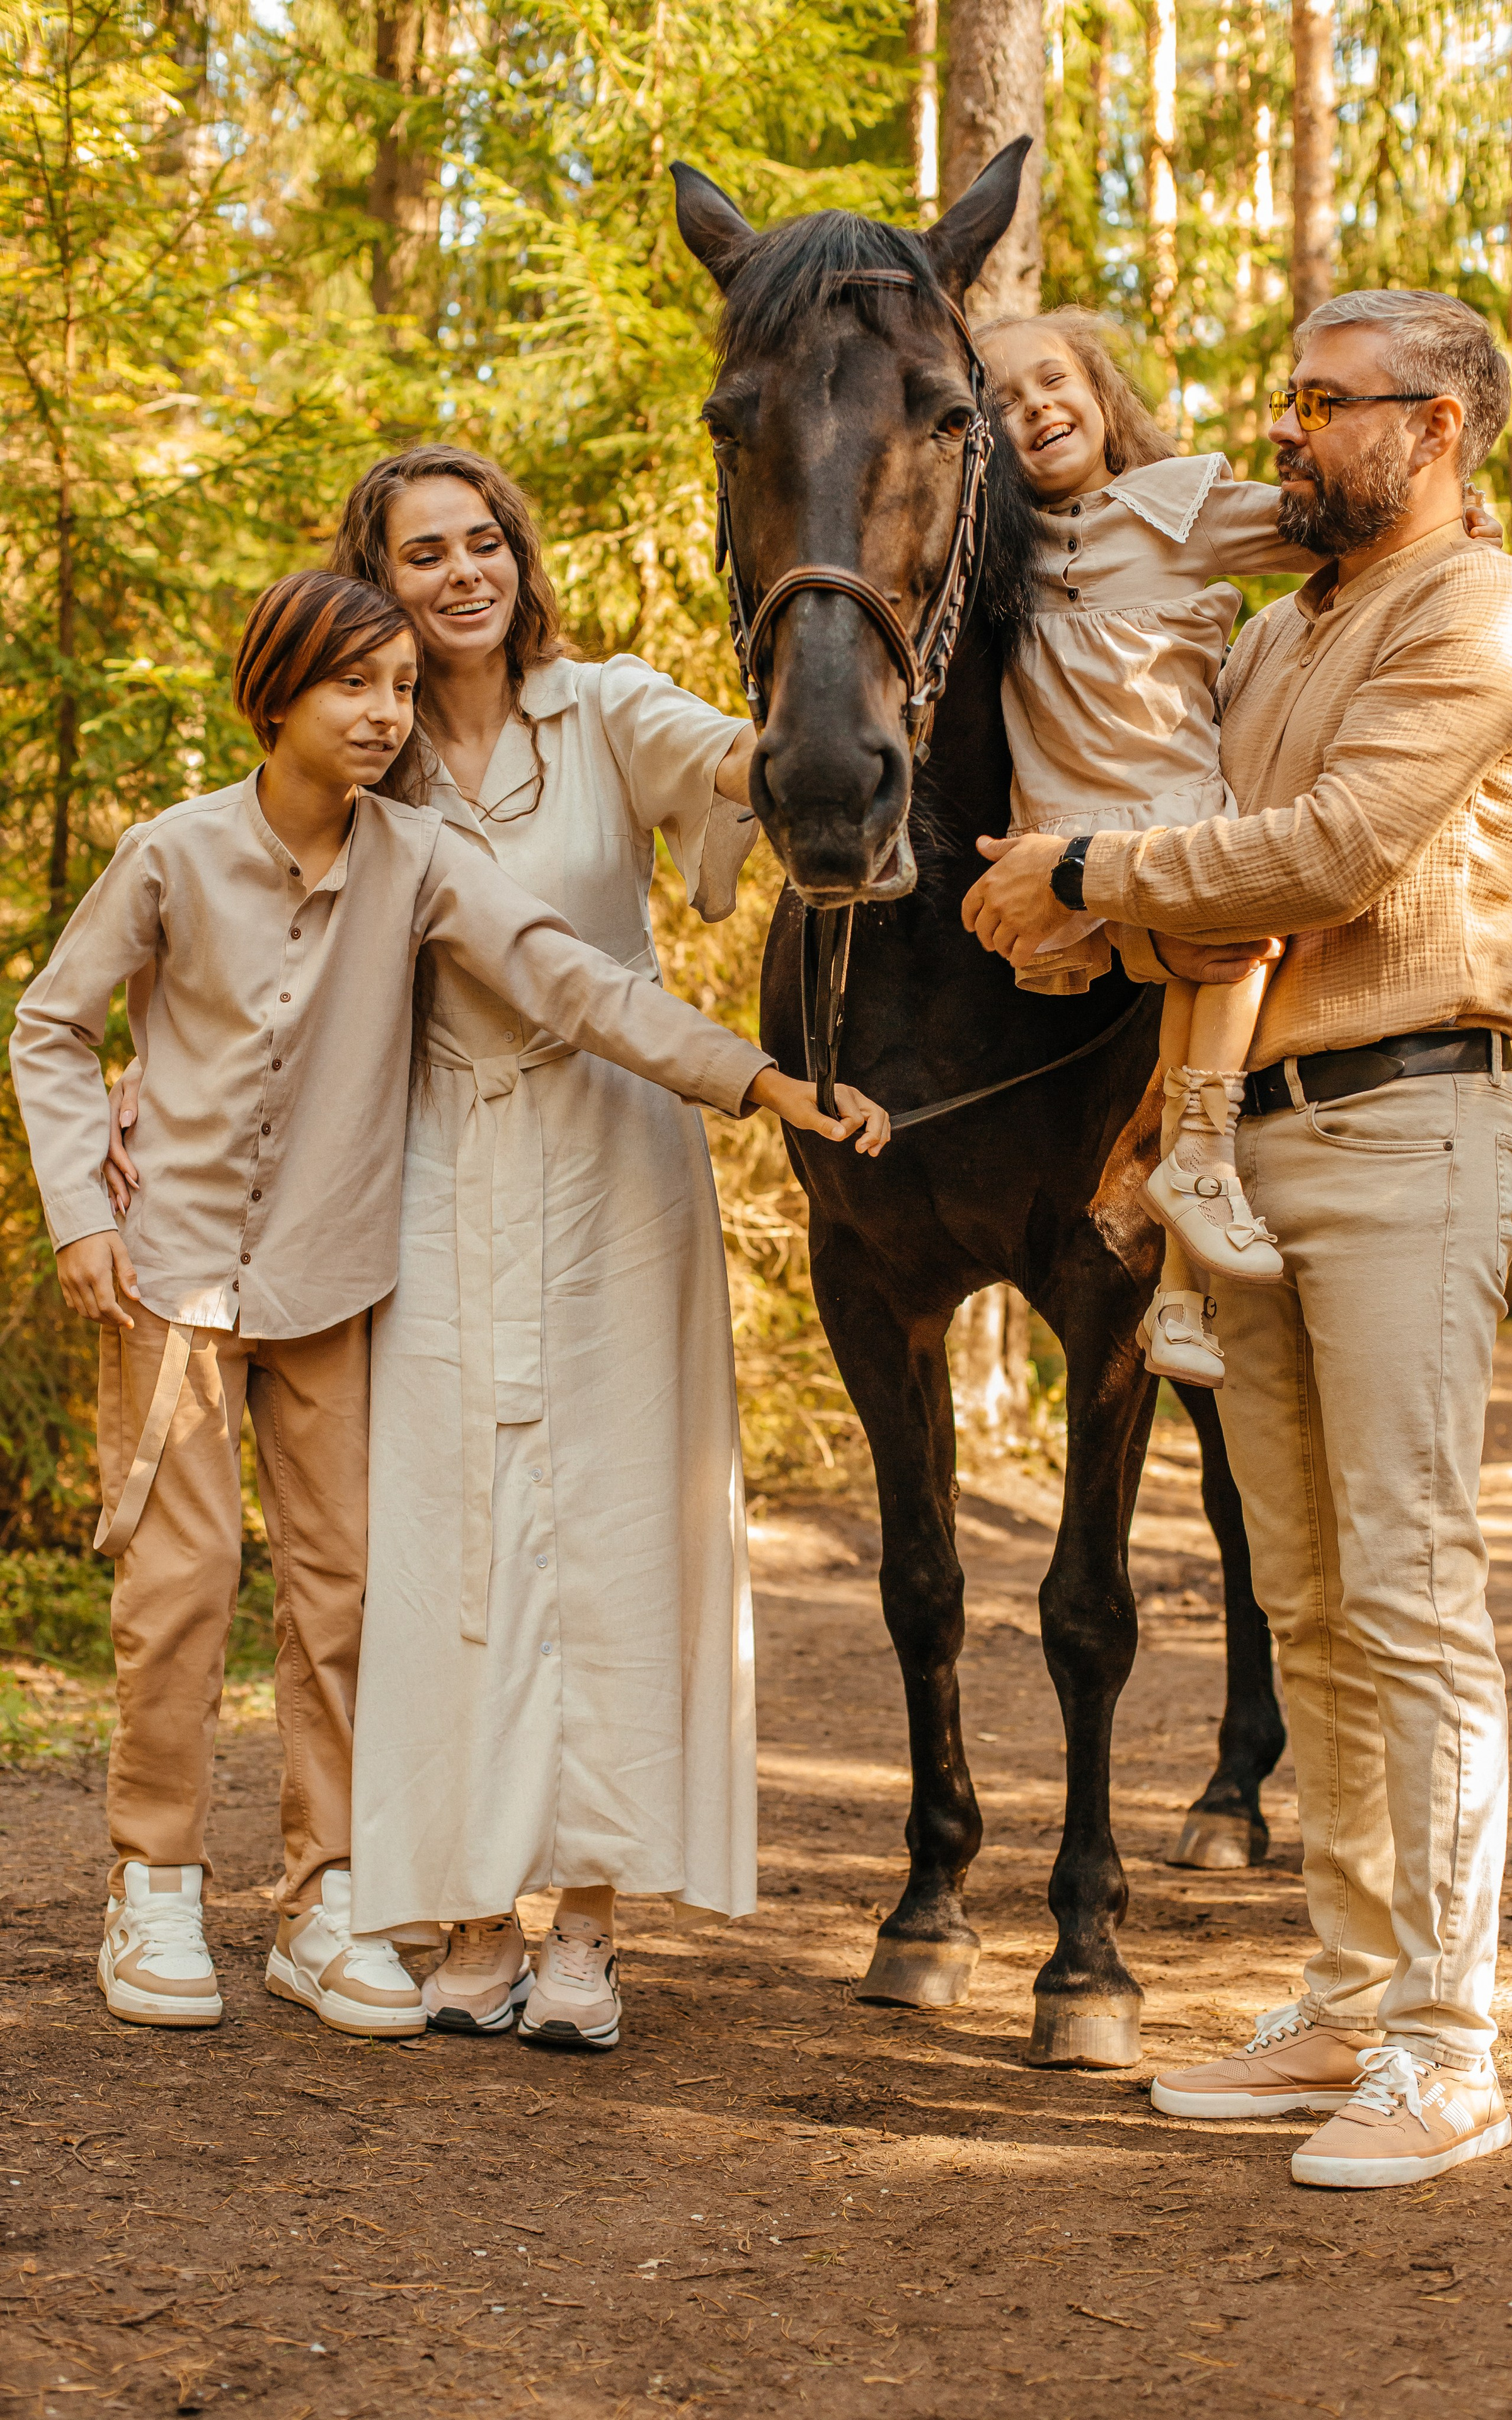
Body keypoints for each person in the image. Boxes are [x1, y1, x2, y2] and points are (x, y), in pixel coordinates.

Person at [17, 567, 883, 2041]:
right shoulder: (171, 853)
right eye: (352, 686)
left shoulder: (420, 859)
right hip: (169, 1273)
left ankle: (321, 1900)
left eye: (401, 691)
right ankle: (152, 1886)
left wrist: (752, 1079)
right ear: (273, 693)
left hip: (334, 1274)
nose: (382, 714)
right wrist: (80, 1214)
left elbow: (567, 979)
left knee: (344, 1591)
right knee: (178, 1591)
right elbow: (50, 1021)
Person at [961, 289, 1512, 2189]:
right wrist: (1091, 921)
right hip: (1251, 1135)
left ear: (1440, 427)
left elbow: (1324, 858)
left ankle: (1450, 2050)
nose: (1289, 430)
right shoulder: (1281, 630)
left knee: (1407, 1584)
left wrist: (1079, 873)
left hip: (1409, 1123)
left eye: (1328, 404)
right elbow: (1213, 899)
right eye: (1290, 399)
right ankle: (1349, 1994)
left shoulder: (1481, 615)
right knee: (1300, 1595)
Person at [323, 442, 801, 2053]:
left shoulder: (603, 707)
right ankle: (466, 1911)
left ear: (521, 561)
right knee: (449, 1523)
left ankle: (587, 1927)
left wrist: (799, 729)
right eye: (421, 554)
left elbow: (738, 766)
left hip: (618, 1152)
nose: (461, 575)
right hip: (436, 1153)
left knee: (605, 1517)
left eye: (484, 545)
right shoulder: (366, 757)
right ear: (374, 580)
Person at [973, 307, 1500, 1394]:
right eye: (1003, 402)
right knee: (1171, 994)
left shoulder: (1175, 515)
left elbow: (1328, 521)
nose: (1035, 409)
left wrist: (1464, 522)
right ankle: (1178, 1278)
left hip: (1164, 807)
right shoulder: (997, 555)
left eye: (1054, 381)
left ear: (1104, 394)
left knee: (1232, 955)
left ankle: (1197, 1176)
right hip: (1066, 822)